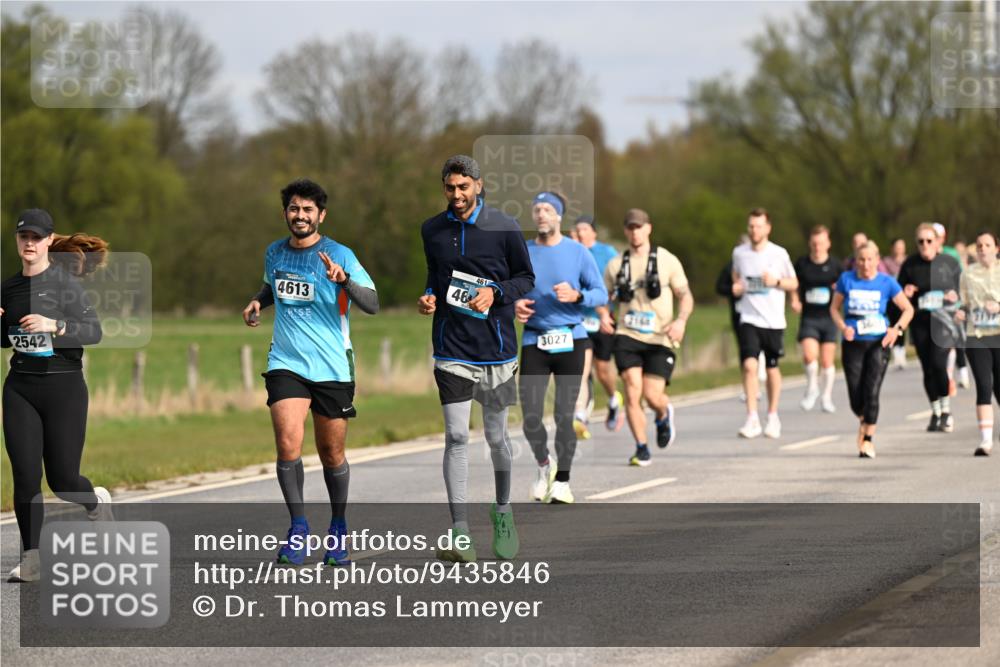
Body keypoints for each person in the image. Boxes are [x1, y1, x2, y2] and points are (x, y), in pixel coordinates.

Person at [243, 179, 379, 567]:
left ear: (321, 215)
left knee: (331, 453)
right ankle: (298, 528)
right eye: (293, 209)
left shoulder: (340, 254)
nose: (299, 216)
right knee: (288, 444)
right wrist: (256, 301)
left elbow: (372, 303)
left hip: (333, 366)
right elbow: (272, 287)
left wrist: (344, 281)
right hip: (286, 362)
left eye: (307, 210)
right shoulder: (274, 252)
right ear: (285, 212)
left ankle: (337, 527)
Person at [418, 155, 534, 561]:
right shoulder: (432, 229)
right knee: (455, 436)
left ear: (479, 186)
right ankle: (459, 531)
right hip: (452, 349)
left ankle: (503, 511)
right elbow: (436, 274)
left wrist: (496, 293)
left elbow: (525, 278)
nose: (457, 195)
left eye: (464, 187)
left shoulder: (504, 226)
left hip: (497, 350)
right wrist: (429, 295)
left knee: (497, 437)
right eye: (450, 188)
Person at [2, 209, 113, 582]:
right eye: (23, 237)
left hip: (63, 388)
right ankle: (32, 558)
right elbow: (7, 338)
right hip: (20, 388)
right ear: (17, 240)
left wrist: (56, 325)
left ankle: (95, 502)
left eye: (36, 237)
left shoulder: (65, 285)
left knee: (63, 480)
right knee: (26, 476)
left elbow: (94, 332)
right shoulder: (8, 289)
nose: (29, 243)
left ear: (50, 240)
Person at [516, 194, 607, 503]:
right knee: (530, 417)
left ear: (559, 217)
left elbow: (601, 294)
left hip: (572, 338)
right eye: (537, 209)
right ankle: (544, 466)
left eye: (548, 210)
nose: (541, 214)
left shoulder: (578, 252)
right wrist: (515, 304)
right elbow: (508, 289)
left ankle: (564, 482)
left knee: (564, 416)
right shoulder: (523, 252)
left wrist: (577, 296)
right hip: (534, 339)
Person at [601, 208, 693, 466]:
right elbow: (602, 297)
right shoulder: (616, 265)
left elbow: (685, 295)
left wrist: (681, 321)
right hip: (627, 335)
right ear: (625, 231)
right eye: (630, 227)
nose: (635, 232)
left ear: (648, 228)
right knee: (632, 391)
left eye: (639, 227)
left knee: (653, 396)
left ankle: (663, 414)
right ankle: (641, 447)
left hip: (660, 337)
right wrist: (602, 314)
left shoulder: (667, 260)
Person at [830, 241, 914, 458]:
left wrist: (896, 330)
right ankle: (864, 420)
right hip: (853, 342)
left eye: (870, 259)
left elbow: (908, 309)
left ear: (877, 260)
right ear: (856, 261)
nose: (865, 264)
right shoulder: (846, 280)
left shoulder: (887, 283)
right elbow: (834, 308)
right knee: (855, 397)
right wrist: (843, 327)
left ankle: (867, 440)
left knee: (872, 392)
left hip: (879, 342)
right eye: (861, 259)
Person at [731, 208, 798, 439]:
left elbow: (793, 282)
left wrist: (776, 281)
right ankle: (752, 418)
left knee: (771, 369)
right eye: (751, 226)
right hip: (749, 318)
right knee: (749, 366)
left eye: (758, 226)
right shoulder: (739, 253)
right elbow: (736, 277)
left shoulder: (779, 254)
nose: (754, 230)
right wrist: (737, 288)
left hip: (773, 320)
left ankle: (772, 415)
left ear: (767, 228)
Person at [897, 223, 963, 433]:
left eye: (929, 240)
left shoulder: (949, 263)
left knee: (938, 363)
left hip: (944, 322)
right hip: (920, 321)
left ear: (937, 242)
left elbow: (964, 289)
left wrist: (955, 296)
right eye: (920, 241)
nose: (925, 245)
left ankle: (946, 411)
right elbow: (898, 294)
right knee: (927, 368)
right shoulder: (910, 264)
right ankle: (935, 412)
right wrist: (905, 292)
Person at [573, 214, 623, 434]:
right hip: (579, 319)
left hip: (604, 319)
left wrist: (613, 297)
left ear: (593, 232)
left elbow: (621, 280)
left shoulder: (607, 253)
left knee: (602, 370)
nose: (580, 233)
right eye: (577, 230)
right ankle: (580, 415)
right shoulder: (571, 253)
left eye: (584, 229)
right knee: (580, 369)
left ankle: (613, 398)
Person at [956, 231, 1000, 456]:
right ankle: (985, 441)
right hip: (978, 335)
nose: (982, 249)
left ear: (996, 248)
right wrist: (961, 312)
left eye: (987, 245)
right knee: (984, 385)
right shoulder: (968, 274)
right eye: (979, 246)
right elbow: (963, 303)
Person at [790, 225, 839, 412]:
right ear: (810, 244)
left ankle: (826, 396)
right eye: (814, 243)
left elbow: (843, 287)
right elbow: (793, 284)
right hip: (809, 317)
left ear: (828, 244)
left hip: (829, 318)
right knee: (810, 355)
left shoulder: (835, 266)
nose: (817, 247)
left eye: (821, 243)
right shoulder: (802, 264)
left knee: (827, 361)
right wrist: (794, 299)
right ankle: (812, 387)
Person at [933, 222, 971, 389]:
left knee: (957, 338)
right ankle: (947, 375)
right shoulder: (925, 255)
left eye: (938, 237)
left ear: (943, 238)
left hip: (953, 304)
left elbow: (961, 277)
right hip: (935, 307)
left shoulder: (951, 254)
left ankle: (962, 372)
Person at [883, 237, 909, 370]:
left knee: (901, 324)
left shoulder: (908, 261)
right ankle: (895, 354)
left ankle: (901, 352)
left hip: (903, 298)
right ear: (892, 248)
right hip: (889, 299)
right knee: (891, 323)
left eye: (901, 246)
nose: (899, 249)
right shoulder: (886, 262)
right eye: (897, 246)